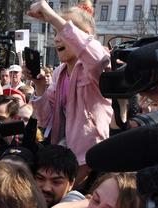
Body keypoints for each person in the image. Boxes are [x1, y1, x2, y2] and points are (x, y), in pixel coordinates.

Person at [27, 0, 112, 185]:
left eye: (64, 30)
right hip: (64, 155)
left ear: (85, 36)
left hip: (91, 158)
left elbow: (98, 59)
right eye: (56, 32)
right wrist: (39, 85)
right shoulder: (60, 73)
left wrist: (51, 16)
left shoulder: (95, 65)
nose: (57, 38)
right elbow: (45, 119)